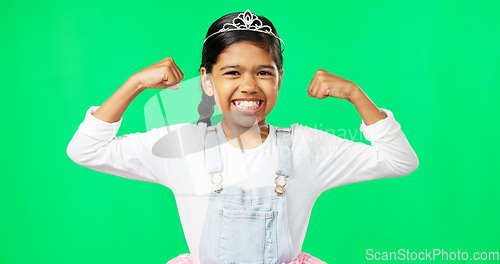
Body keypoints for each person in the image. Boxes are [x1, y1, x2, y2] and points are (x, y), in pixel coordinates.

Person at [66, 9, 419, 264]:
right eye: (232, 72)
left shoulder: (305, 147)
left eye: (264, 72)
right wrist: (135, 84)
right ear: (207, 80)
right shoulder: (183, 145)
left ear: (280, 77)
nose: (249, 85)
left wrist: (356, 95)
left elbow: (400, 161)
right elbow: (86, 150)